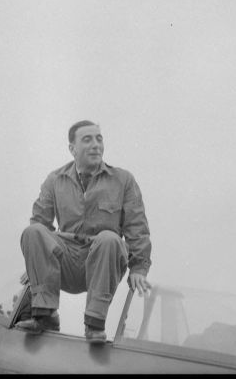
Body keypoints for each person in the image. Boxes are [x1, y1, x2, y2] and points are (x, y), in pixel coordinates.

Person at [16, 120, 152, 344]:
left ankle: (95, 324)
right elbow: (40, 223)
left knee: (109, 238)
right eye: (87, 140)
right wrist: (35, 262)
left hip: (102, 261)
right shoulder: (55, 179)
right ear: (72, 149)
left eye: (99, 139)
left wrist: (139, 268)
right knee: (33, 231)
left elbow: (137, 226)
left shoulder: (124, 179)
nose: (96, 145)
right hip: (66, 262)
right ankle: (45, 314)